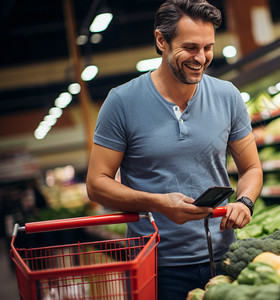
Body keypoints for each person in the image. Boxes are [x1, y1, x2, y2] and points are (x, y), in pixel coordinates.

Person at [85, 0, 263, 299]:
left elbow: (251, 168)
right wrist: (158, 203)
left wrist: (245, 202)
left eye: (208, 47)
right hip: (155, 264)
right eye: (191, 47)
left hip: (224, 256)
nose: (201, 58)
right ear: (161, 41)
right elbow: (97, 184)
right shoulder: (121, 102)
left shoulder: (227, 95)